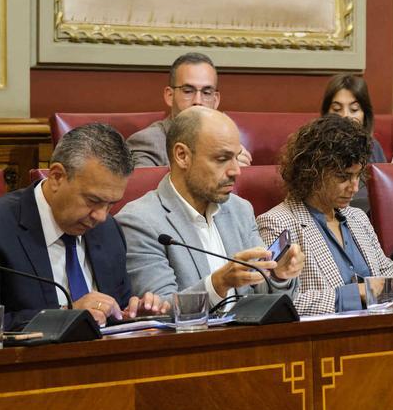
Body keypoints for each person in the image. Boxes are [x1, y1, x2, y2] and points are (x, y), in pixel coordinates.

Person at [0, 123, 168, 343]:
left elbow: (113, 311)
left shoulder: (108, 231)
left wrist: (135, 316)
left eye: (111, 204)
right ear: (57, 176)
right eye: (93, 201)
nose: (101, 215)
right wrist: (65, 314)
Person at [116, 107, 304, 307]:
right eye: (222, 159)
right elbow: (159, 310)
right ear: (182, 156)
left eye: (236, 157)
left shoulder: (240, 210)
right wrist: (218, 284)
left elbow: (263, 295)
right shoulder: (139, 221)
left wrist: (278, 276)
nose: (236, 171)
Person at [257, 115, 393, 315]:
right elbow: (281, 303)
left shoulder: (357, 217)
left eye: (358, 175)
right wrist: (355, 294)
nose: (355, 187)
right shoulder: (277, 222)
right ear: (313, 173)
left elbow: (387, 274)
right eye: (344, 177)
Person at [126, 52, 253, 168]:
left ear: (216, 100)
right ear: (170, 96)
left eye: (206, 92)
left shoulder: (229, 142)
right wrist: (218, 166)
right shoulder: (146, 142)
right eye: (188, 91)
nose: (198, 100)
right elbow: (144, 189)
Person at [321, 74, 385, 212]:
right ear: (326, 113)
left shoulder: (374, 147)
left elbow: (383, 197)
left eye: (354, 109)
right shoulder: (315, 148)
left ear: (365, 114)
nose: (345, 116)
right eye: (337, 109)